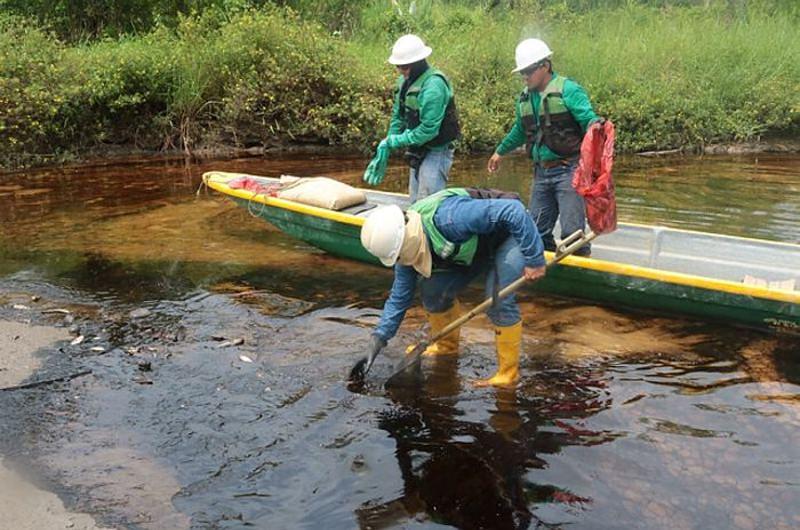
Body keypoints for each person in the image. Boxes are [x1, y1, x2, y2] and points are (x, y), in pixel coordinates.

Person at [359, 188, 546, 387]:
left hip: (509, 235)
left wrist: (534, 258)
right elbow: (399, 297)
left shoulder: (450, 219)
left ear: (404, 243)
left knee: (497, 298)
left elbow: (513, 211)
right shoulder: (404, 255)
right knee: (433, 290)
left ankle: (508, 374)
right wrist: (379, 337)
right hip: (474, 248)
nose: (398, 261)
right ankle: (446, 346)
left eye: (396, 257)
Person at [487, 38, 600, 256]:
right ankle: (546, 268)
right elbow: (520, 130)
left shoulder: (569, 90)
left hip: (570, 171)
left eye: (529, 71)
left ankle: (579, 271)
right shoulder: (524, 99)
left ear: (545, 66)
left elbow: (588, 119)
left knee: (572, 233)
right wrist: (500, 151)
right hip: (542, 172)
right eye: (522, 72)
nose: (525, 77)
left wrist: (597, 128)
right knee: (536, 231)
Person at [363, 34, 461, 202]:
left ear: (418, 63)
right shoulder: (404, 82)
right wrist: (388, 143)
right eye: (398, 66)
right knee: (415, 200)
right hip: (417, 146)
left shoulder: (433, 86)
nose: (400, 70)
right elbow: (398, 116)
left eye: (405, 66)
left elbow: (428, 130)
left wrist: (396, 141)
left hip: (436, 149)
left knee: (427, 202)